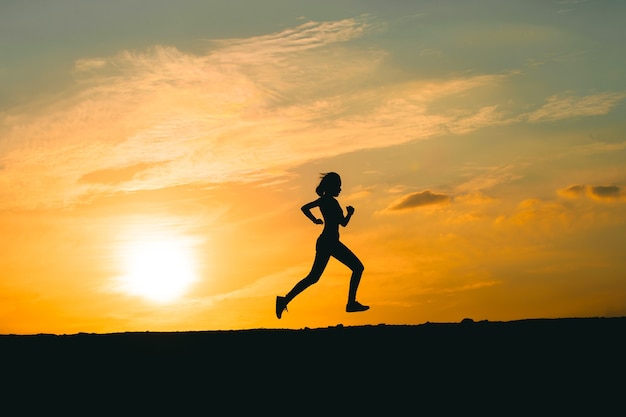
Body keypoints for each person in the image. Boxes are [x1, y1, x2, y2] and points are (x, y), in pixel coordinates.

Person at [276, 172, 369, 319]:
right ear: (332, 187)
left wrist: (315, 220)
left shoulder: (324, 200)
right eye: (338, 186)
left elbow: (305, 208)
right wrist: (350, 213)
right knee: (358, 268)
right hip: (330, 242)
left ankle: (284, 300)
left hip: (326, 241)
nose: (340, 189)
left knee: (313, 277)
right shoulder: (330, 201)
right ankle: (351, 304)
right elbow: (343, 223)